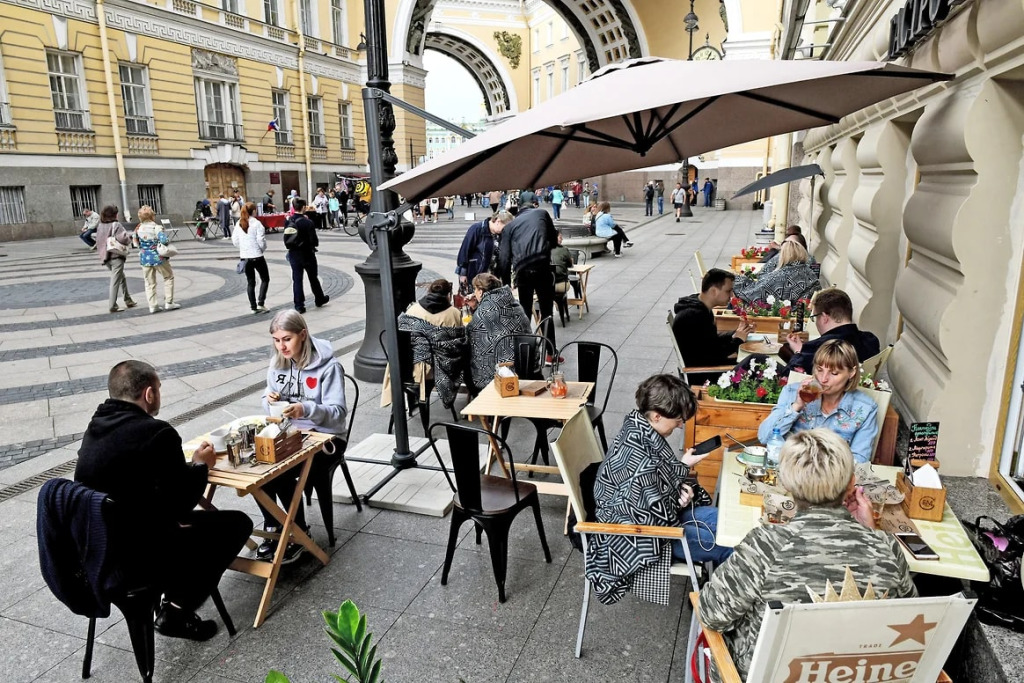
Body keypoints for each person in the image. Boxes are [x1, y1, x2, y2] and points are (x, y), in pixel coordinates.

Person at [699, 429, 916, 681]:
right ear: (851, 483)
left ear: (787, 485)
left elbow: (711, 614)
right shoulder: (886, 547)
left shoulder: (766, 545)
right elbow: (907, 616)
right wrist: (870, 533)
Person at [75, 360, 253, 641]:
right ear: (149, 394)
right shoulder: (156, 432)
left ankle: (173, 599)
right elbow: (181, 502)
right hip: (139, 554)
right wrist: (199, 467)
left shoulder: (94, 428)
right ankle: (176, 611)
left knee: (187, 524)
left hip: (96, 549)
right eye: (158, 389)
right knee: (237, 524)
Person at [586, 375, 730, 606]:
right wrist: (680, 500)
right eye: (679, 419)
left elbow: (654, 491)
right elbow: (653, 515)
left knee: (727, 522)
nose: (681, 424)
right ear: (656, 415)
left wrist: (683, 466)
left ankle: (719, 596)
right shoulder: (641, 459)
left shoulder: (636, 428)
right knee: (731, 545)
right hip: (639, 538)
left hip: (648, 522)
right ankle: (718, 609)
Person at [260, 310, 349, 562]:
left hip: (327, 438)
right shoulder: (277, 363)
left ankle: (298, 533)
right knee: (261, 470)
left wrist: (306, 408)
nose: (281, 346)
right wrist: (269, 400)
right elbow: (269, 402)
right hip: (291, 434)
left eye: (286, 339)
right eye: (276, 340)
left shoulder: (329, 367)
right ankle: (274, 528)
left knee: (282, 472)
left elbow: (338, 414)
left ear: (303, 334)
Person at [758, 339, 879, 463]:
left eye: (834, 373)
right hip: (791, 471)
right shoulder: (792, 392)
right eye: (819, 369)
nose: (823, 379)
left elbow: (859, 460)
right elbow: (764, 437)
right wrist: (796, 406)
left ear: (851, 373)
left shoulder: (865, 408)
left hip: (834, 477)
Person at [385, 279, 467, 411]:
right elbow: (459, 343)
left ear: (429, 291)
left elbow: (402, 337)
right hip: (442, 367)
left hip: (412, 366)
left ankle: (412, 402)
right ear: (448, 294)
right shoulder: (454, 313)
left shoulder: (412, 309)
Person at [497, 193, 558, 357]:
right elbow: (553, 239)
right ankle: (550, 353)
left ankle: (524, 352)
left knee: (524, 311)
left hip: (523, 270)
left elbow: (503, 258)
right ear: (534, 204)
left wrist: (506, 283)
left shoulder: (510, 226)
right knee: (546, 311)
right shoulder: (542, 214)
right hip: (543, 267)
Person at [672, 268, 754, 382]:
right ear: (714, 291)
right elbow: (714, 354)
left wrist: (735, 333)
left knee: (755, 358)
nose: (732, 295)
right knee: (756, 363)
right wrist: (738, 340)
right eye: (728, 291)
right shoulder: (694, 316)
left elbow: (709, 343)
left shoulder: (700, 307)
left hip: (706, 366)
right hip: (704, 374)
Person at [782, 287, 880, 374]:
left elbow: (786, 377)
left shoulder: (819, 347)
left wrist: (798, 352)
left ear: (824, 317)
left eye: (815, 317)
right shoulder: (870, 340)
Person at [465, 273, 530, 393]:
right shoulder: (513, 303)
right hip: (526, 364)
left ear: (480, 291)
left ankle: (480, 401)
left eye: (475, 289)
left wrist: (475, 311)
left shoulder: (484, 312)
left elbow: (471, 336)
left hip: (501, 370)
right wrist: (476, 307)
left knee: (465, 362)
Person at [733, 241, 821, 305]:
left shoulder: (782, 275)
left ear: (782, 255)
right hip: (805, 312)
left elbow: (755, 293)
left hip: (789, 315)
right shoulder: (810, 272)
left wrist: (737, 280)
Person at [283, 198, 328, 314]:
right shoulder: (308, 222)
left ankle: (299, 305)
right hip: (308, 254)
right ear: (303, 207)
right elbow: (314, 241)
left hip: (294, 254)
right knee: (313, 278)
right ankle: (319, 298)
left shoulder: (288, 221)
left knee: (297, 280)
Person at [135, 205, 179, 314]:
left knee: (149, 283)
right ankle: (169, 302)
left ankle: (153, 305)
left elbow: (135, 243)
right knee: (168, 277)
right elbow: (164, 240)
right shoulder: (156, 227)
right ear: (152, 216)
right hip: (158, 258)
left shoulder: (138, 228)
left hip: (144, 258)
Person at [95, 205, 136, 313]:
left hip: (106, 257)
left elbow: (98, 241)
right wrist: (130, 236)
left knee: (121, 277)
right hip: (116, 256)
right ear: (114, 214)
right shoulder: (116, 224)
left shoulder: (100, 226)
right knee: (115, 281)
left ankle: (128, 300)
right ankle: (112, 305)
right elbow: (123, 238)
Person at [455, 211, 511, 286]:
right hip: (476, 276)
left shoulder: (501, 235)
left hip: (493, 277)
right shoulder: (477, 229)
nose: (506, 230)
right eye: (505, 227)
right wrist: (463, 274)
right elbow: (464, 252)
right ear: (498, 222)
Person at [233, 201, 270, 314]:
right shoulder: (257, 223)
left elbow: (235, 240)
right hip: (257, 256)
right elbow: (261, 240)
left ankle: (253, 306)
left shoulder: (239, 223)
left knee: (250, 282)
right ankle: (261, 303)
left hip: (245, 257)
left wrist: (243, 248)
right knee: (265, 279)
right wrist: (262, 248)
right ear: (254, 211)